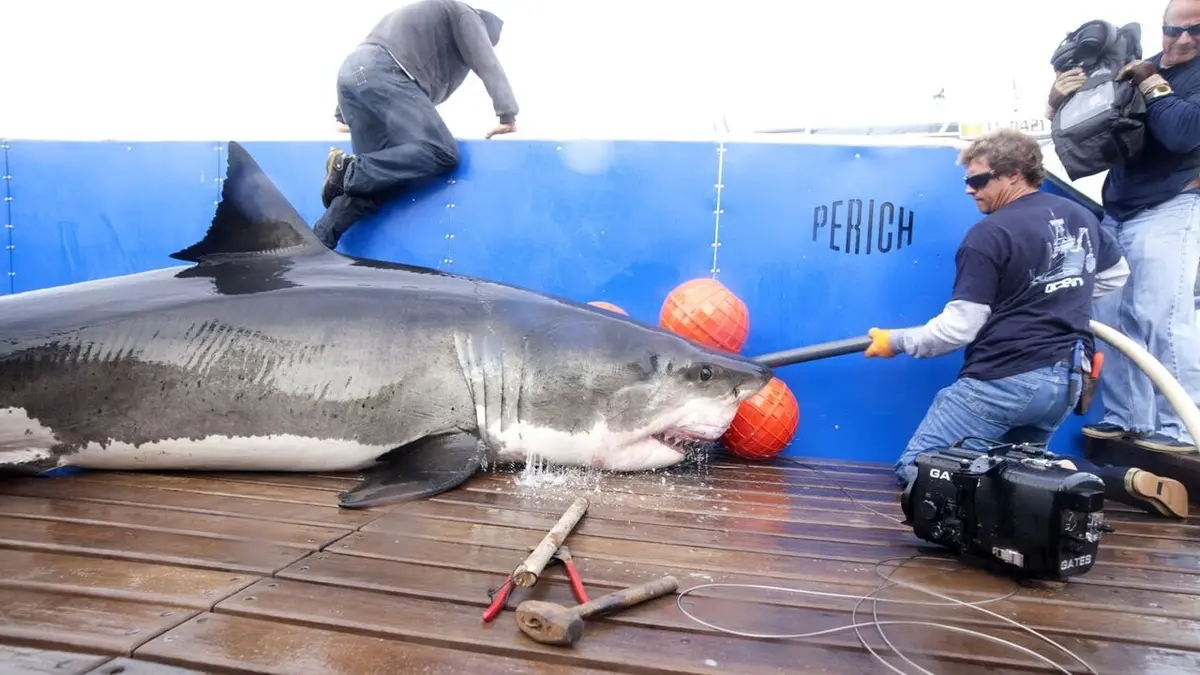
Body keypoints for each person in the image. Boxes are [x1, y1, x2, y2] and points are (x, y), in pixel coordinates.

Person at [865, 128, 1188, 518]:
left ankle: (1062, 481)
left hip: (1005, 377)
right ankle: (1103, 479)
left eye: (978, 180)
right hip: (1065, 382)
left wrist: (895, 341)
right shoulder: (1080, 216)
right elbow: (1115, 275)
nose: (968, 189)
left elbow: (957, 329)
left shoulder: (989, 235)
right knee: (1022, 473)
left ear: (1014, 174)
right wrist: (1058, 296)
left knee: (922, 470)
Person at [1046, 0, 1200, 453]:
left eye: (1197, 31)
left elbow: (1183, 133)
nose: (1183, 39)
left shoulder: (1155, 73)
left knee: (1161, 318)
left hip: (1172, 204)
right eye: (1174, 29)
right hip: (1117, 210)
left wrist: (1150, 81)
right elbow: (1087, 136)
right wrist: (1058, 101)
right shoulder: (1137, 65)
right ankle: (1129, 418)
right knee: (1111, 320)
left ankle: (1184, 428)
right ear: (1162, 26)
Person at [313, 0, 519, 250]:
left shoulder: (424, 23)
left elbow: (363, 63)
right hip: (384, 71)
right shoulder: (467, 15)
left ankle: (318, 244)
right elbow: (487, 62)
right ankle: (347, 170)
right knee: (441, 150)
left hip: (354, 75)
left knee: (377, 178)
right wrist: (507, 114)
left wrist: (343, 114)